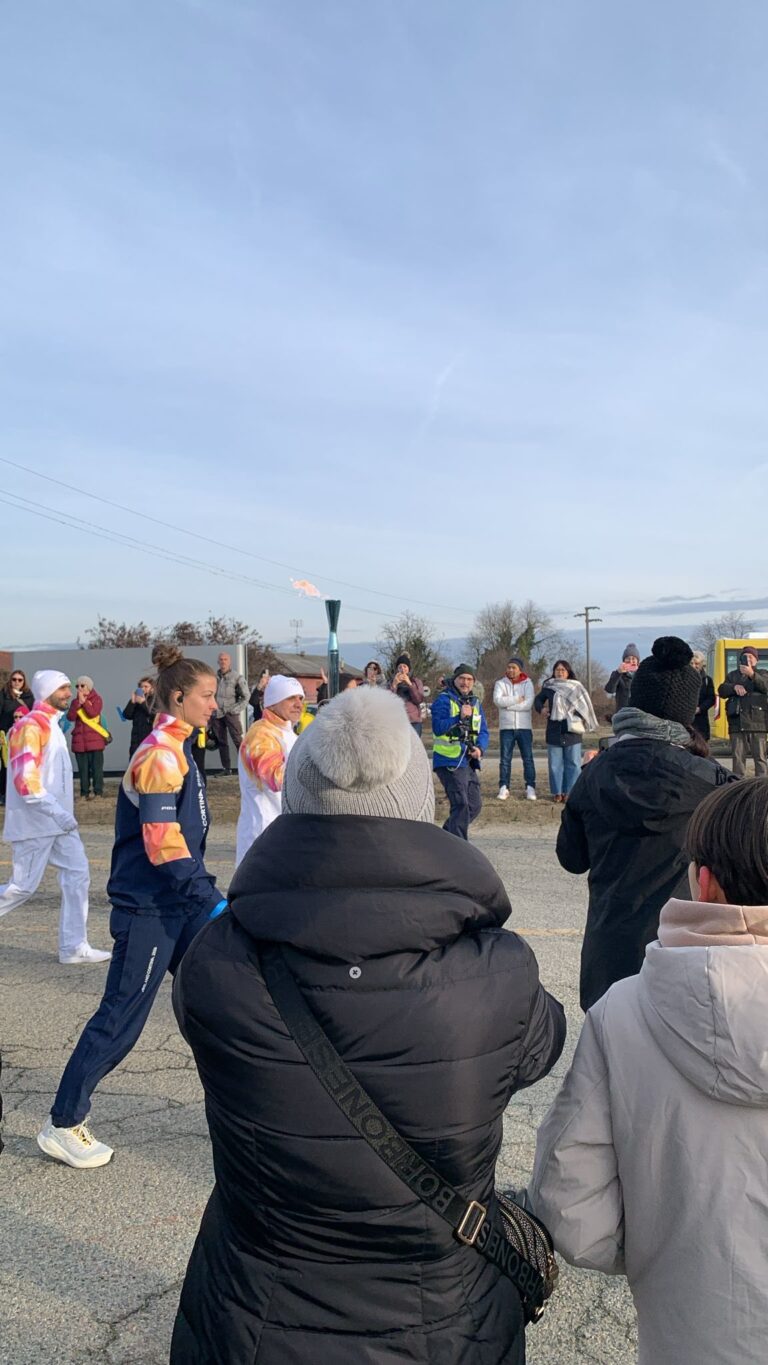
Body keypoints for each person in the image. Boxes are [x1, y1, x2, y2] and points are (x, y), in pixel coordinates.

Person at [170, 686, 566, 1364]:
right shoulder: (500, 971)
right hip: (447, 1320)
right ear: (418, 808)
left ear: (297, 804)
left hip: (253, 1316)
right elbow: (542, 1045)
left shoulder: (217, 962)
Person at [530, 777, 768, 1365]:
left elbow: (570, 1202)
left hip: (692, 1333)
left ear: (703, 881)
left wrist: (660, 1252)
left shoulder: (623, 1013)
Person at [37, 646, 226, 1169]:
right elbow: (163, 844)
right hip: (152, 909)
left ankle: (238, 1109)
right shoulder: (159, 753)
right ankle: (62, 1122)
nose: (215, 704)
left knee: (223, 1000)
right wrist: (214, 902)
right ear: (178, 696)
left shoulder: (182, 746)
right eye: (207, 696)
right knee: (121, 1018)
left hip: (179, 904)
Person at [557, 636, 734, 1011]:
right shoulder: (714, 782)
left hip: (610, 953)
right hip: (684, 953)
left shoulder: (594, 774)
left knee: (612, 1062)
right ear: (687, 714)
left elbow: (571, 857)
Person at [0, 670, 110, 966]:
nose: (68, 693)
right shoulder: (30, 727)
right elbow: (26, 783)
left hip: (59, 824)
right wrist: (58, 813)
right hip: (37, 823)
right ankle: (74, 946)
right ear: (46, 692)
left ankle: (74, 947)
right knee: (21, 887)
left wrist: (62, 817)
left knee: (78, 874)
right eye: (62, 689)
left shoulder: (51, 725)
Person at [235, 674, 305, 866]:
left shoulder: (289, 733)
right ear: (273, 703)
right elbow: (275, 777)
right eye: (291, 698)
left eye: (300, 698)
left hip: (285, 833)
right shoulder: (260, 735)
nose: (298, 704)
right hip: (263, 834)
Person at [432, 664, 489, 839]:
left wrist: (479, 748)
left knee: (474, 805)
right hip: (449, 761)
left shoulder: (475, 702)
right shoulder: (444, 700)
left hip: (468, 761)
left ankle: (444, 839)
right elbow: (438, 727)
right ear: (455, 680)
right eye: (462, 678)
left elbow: (483, 731)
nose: (465, 682)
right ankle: (459, 847)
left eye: (469, 679)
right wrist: (459, 717)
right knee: (461, 805)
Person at [535, 661, 598, 803]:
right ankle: (557, 792)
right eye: (557, 670)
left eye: (563, 670)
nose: (560, 672)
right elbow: (538, 700)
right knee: (555, 764)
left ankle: (571, 792)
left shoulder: (576, 687)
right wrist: (542, 709)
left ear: (568, 672)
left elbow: (584, 706)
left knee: (573, 763)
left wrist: (574, 714)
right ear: (553, 671)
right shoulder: (549, 686)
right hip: (554, 729)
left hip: (572, 730)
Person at [717, 644, 768, 777]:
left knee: (761, 759)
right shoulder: (732, 676)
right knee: (738, 760)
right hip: (737, 724)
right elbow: (721, 691)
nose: (748, 659)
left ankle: (762, 789)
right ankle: (738, 788)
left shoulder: (762, 673)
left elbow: (766, 687)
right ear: (740, 660)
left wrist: (751, 675)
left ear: (756, 660)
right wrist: (734, 687)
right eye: (745, 657)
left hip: (758, 723)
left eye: (751, 657)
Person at [492, 656, 536, 801]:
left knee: (528, 758)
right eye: (509, 667)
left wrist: (508, 705)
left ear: (520, 669)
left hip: (524, 727)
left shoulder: (527, 683)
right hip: (506, 727)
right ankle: (504, 787)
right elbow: (498, 701)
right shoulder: (500, 683)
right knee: (505, 759)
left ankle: (530, 787)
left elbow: (528, 704)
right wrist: (517, 699)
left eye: (514, 667)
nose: (511, 670)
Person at [67, 676, 109, 799]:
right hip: (80, 741)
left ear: (89, 687)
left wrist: (84, 703)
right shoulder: (75, 702)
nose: (79, 688)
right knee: (83, 770)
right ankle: (84, 793)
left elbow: (93, 713)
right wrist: (77, 705)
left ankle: (98, 792)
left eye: (82, 685)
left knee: (97, 769)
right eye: (77, 686)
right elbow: (70, 717)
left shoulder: (97, 699)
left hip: (95, 740)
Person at [212, 651, 249, 775]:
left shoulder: (237, 677)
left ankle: (244, 768)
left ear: (230, 661)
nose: (223, 662)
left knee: (238, 740)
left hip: (231, 713)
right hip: (217, 714)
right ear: (218, 662)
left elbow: (246, 696)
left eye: (225, 659)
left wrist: (235, 709)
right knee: (221, 741)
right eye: (221, 659)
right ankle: (226, 769)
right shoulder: (214, 678)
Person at [0, 669, 34, 806]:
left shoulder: (28, 696)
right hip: (6, 734)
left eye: (20, 680)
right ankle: (3, 793)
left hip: (23, 735)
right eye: (14, 679)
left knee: (22, 765)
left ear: (24, 681)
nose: (17, 682)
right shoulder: (4, 695)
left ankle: (21, 792)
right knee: (5, 765)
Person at [389, 652, 426, 734]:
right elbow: (388, 701)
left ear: (408, 668)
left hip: (414, 721)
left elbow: (419, 699)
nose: (402, 669)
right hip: (398, 721)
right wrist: (394, 685)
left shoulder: (416, 682)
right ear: (397, 670)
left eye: (404, 666)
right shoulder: (391, 683)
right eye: (400, 667)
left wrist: (409, 684)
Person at [122, 676, 155, 757]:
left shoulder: (155, 699)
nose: (143, 689)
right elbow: (127, 715)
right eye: (141, 687)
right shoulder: (136, 701)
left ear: (152, 688)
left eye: (146, 686)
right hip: (136, 740)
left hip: (149, 739)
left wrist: (143, 703)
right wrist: (132, 702)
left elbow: (154, 714)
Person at [604, 643, 640, 713]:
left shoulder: (642, 674)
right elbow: (610, 690)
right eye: (628, 658)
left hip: (639, 713)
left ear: (637, 661)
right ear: (624, 661)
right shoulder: (617, 674)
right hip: (622, 713)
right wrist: (618, 673)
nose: (631, 661)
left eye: (633, 659)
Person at [691, 650, 715, 741]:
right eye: (691, 663)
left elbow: (711, 698)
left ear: (701, 664)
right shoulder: (682, 679)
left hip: (701, 720)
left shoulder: (707, 680)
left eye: (696, 663)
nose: (694, 666)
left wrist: (700, 708)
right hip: (686, 720)